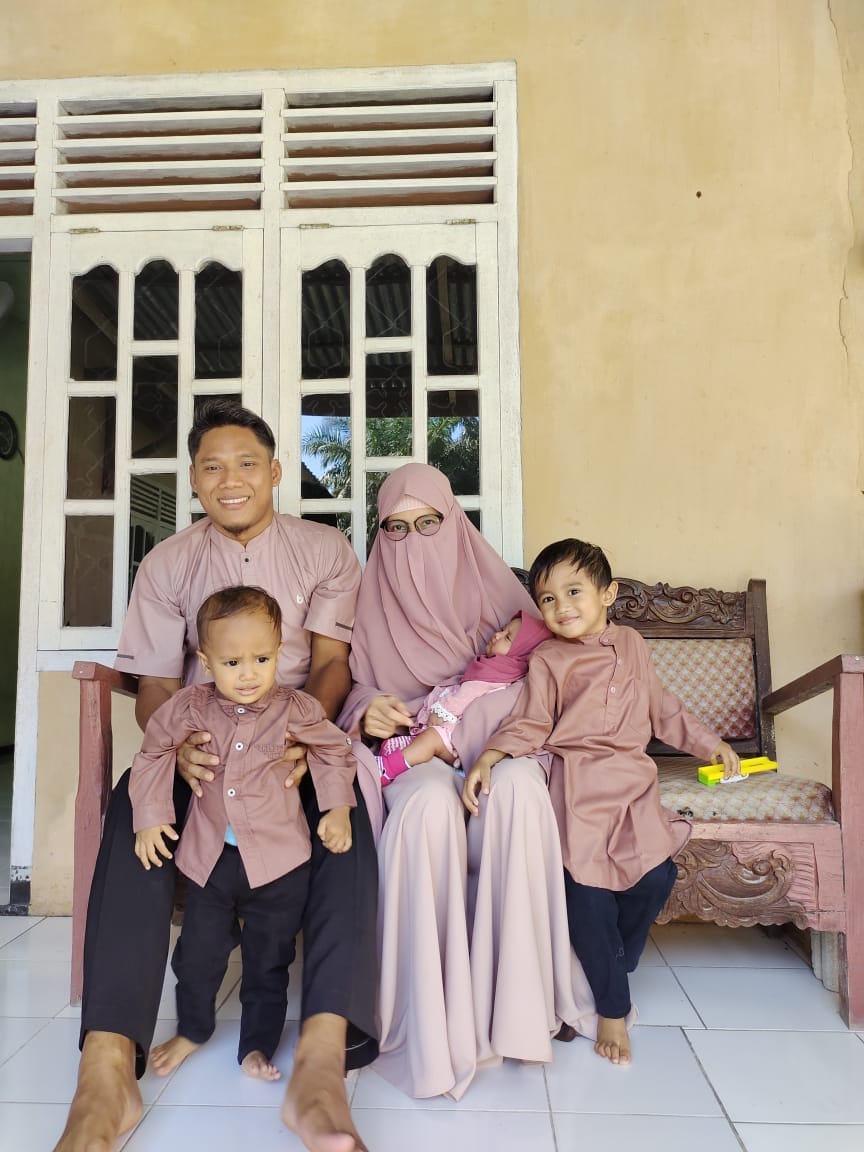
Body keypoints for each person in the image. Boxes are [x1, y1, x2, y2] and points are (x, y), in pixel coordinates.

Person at [55, 401, 377, 1152]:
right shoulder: (168, 563)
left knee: (347, 815)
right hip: (199, 741)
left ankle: (321, 1063)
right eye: (212, 466)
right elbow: (155, 683)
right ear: (194, 480)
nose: (231, 479)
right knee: (132, 807)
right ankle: (107, 1070)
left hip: (292, 737)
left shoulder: (326, 550)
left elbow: (332, 662)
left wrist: (303, 735)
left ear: (275, 471)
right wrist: (179, 748)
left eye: (246, 463)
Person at [339, 464, 602, 1101]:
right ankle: (430, 1024)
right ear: (379, 536)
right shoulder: (370, 606)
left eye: (429, 522)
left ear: (455, 522)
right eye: (396, 529)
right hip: (416, 749)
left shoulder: (506, 599)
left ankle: (523, 1010)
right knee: (427, 806)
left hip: (503, 741)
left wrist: (484, 739)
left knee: (518, 791)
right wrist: (370, 711)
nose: (413, 541)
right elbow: (356, 691)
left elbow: (551, 684)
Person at [463, 538, 740, 1066]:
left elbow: (664, 709)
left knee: (656, 875)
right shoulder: (548, 659)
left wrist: (712, 745)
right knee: (588, 895)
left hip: (633, 785)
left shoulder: (632, 643)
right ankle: (613, 1005)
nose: (561, 607)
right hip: (579, 787)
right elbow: (531, 720)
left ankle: (613, 960)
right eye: (548, 599)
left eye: (574, 592)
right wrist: (490, 756)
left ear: (607, 593)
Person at [130, 586, 356, 1081]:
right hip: (211, 862)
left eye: (261, 659)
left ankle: (256, 1046)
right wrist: (149, 815)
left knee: (268, 962)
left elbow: (334, 750)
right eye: (233, 663)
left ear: (280, 653)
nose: (249, 673)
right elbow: (152, 753)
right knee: (197, 956)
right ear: (206, 663)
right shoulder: (190, 707)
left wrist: (337, 808)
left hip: (280, 866)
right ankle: (193, 1029)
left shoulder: (296, 709)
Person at [375, 608, 551, 785]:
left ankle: (387, 769)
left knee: (430, 739)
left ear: (520, 654)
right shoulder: (499, 670)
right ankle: (404, 751)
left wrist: (443, 709)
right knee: (427, 740)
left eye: (507, 638)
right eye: (503, 629)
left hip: (458, 736)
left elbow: (466, 695)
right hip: (459, 734)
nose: (498, 635)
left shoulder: (494, 673)